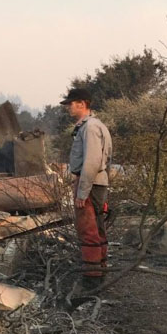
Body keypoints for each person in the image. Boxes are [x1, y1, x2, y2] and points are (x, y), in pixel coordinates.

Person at [62, 88, 113, 287]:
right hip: (97, 183)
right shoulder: (94, 126)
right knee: (98, 228)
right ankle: (100, 271)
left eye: (71, 103)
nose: (68, 108)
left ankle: (92, 279)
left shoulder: (90, 128)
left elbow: (91, 162)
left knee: (88, 229)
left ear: (82, 104)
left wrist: (82, 192)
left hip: (90, 183)